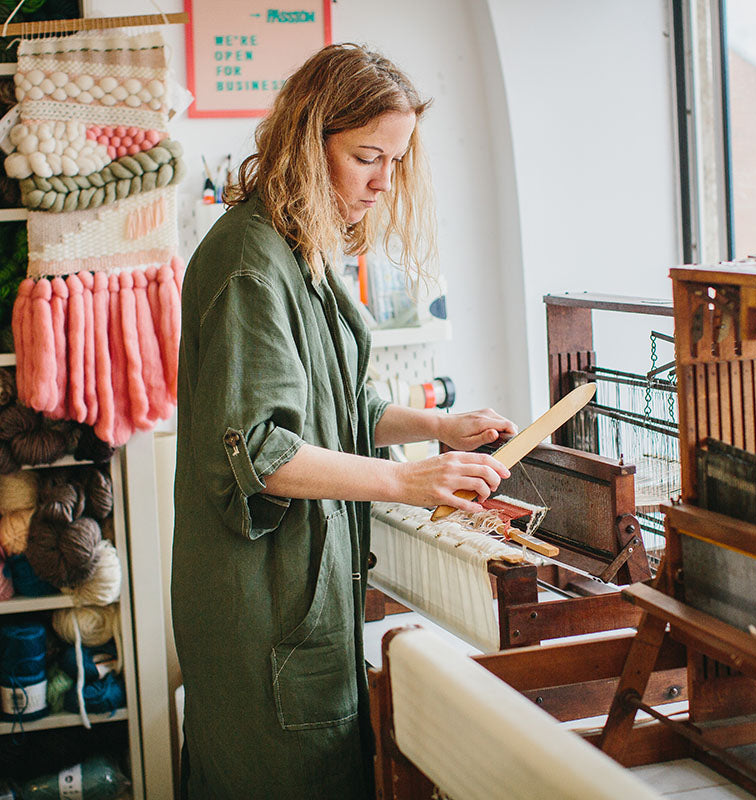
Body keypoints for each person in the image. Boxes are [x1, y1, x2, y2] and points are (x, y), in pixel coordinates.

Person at [171, 43, 517, 800]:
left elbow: (342, 407)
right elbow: (260, 451)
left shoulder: (303, 253)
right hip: (260, 610)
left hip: (301, 600)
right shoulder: (249, 267)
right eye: (367, 156)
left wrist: (442, 425)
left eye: (395, 160)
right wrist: (407, 479)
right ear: (307, 139)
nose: (382, 181)